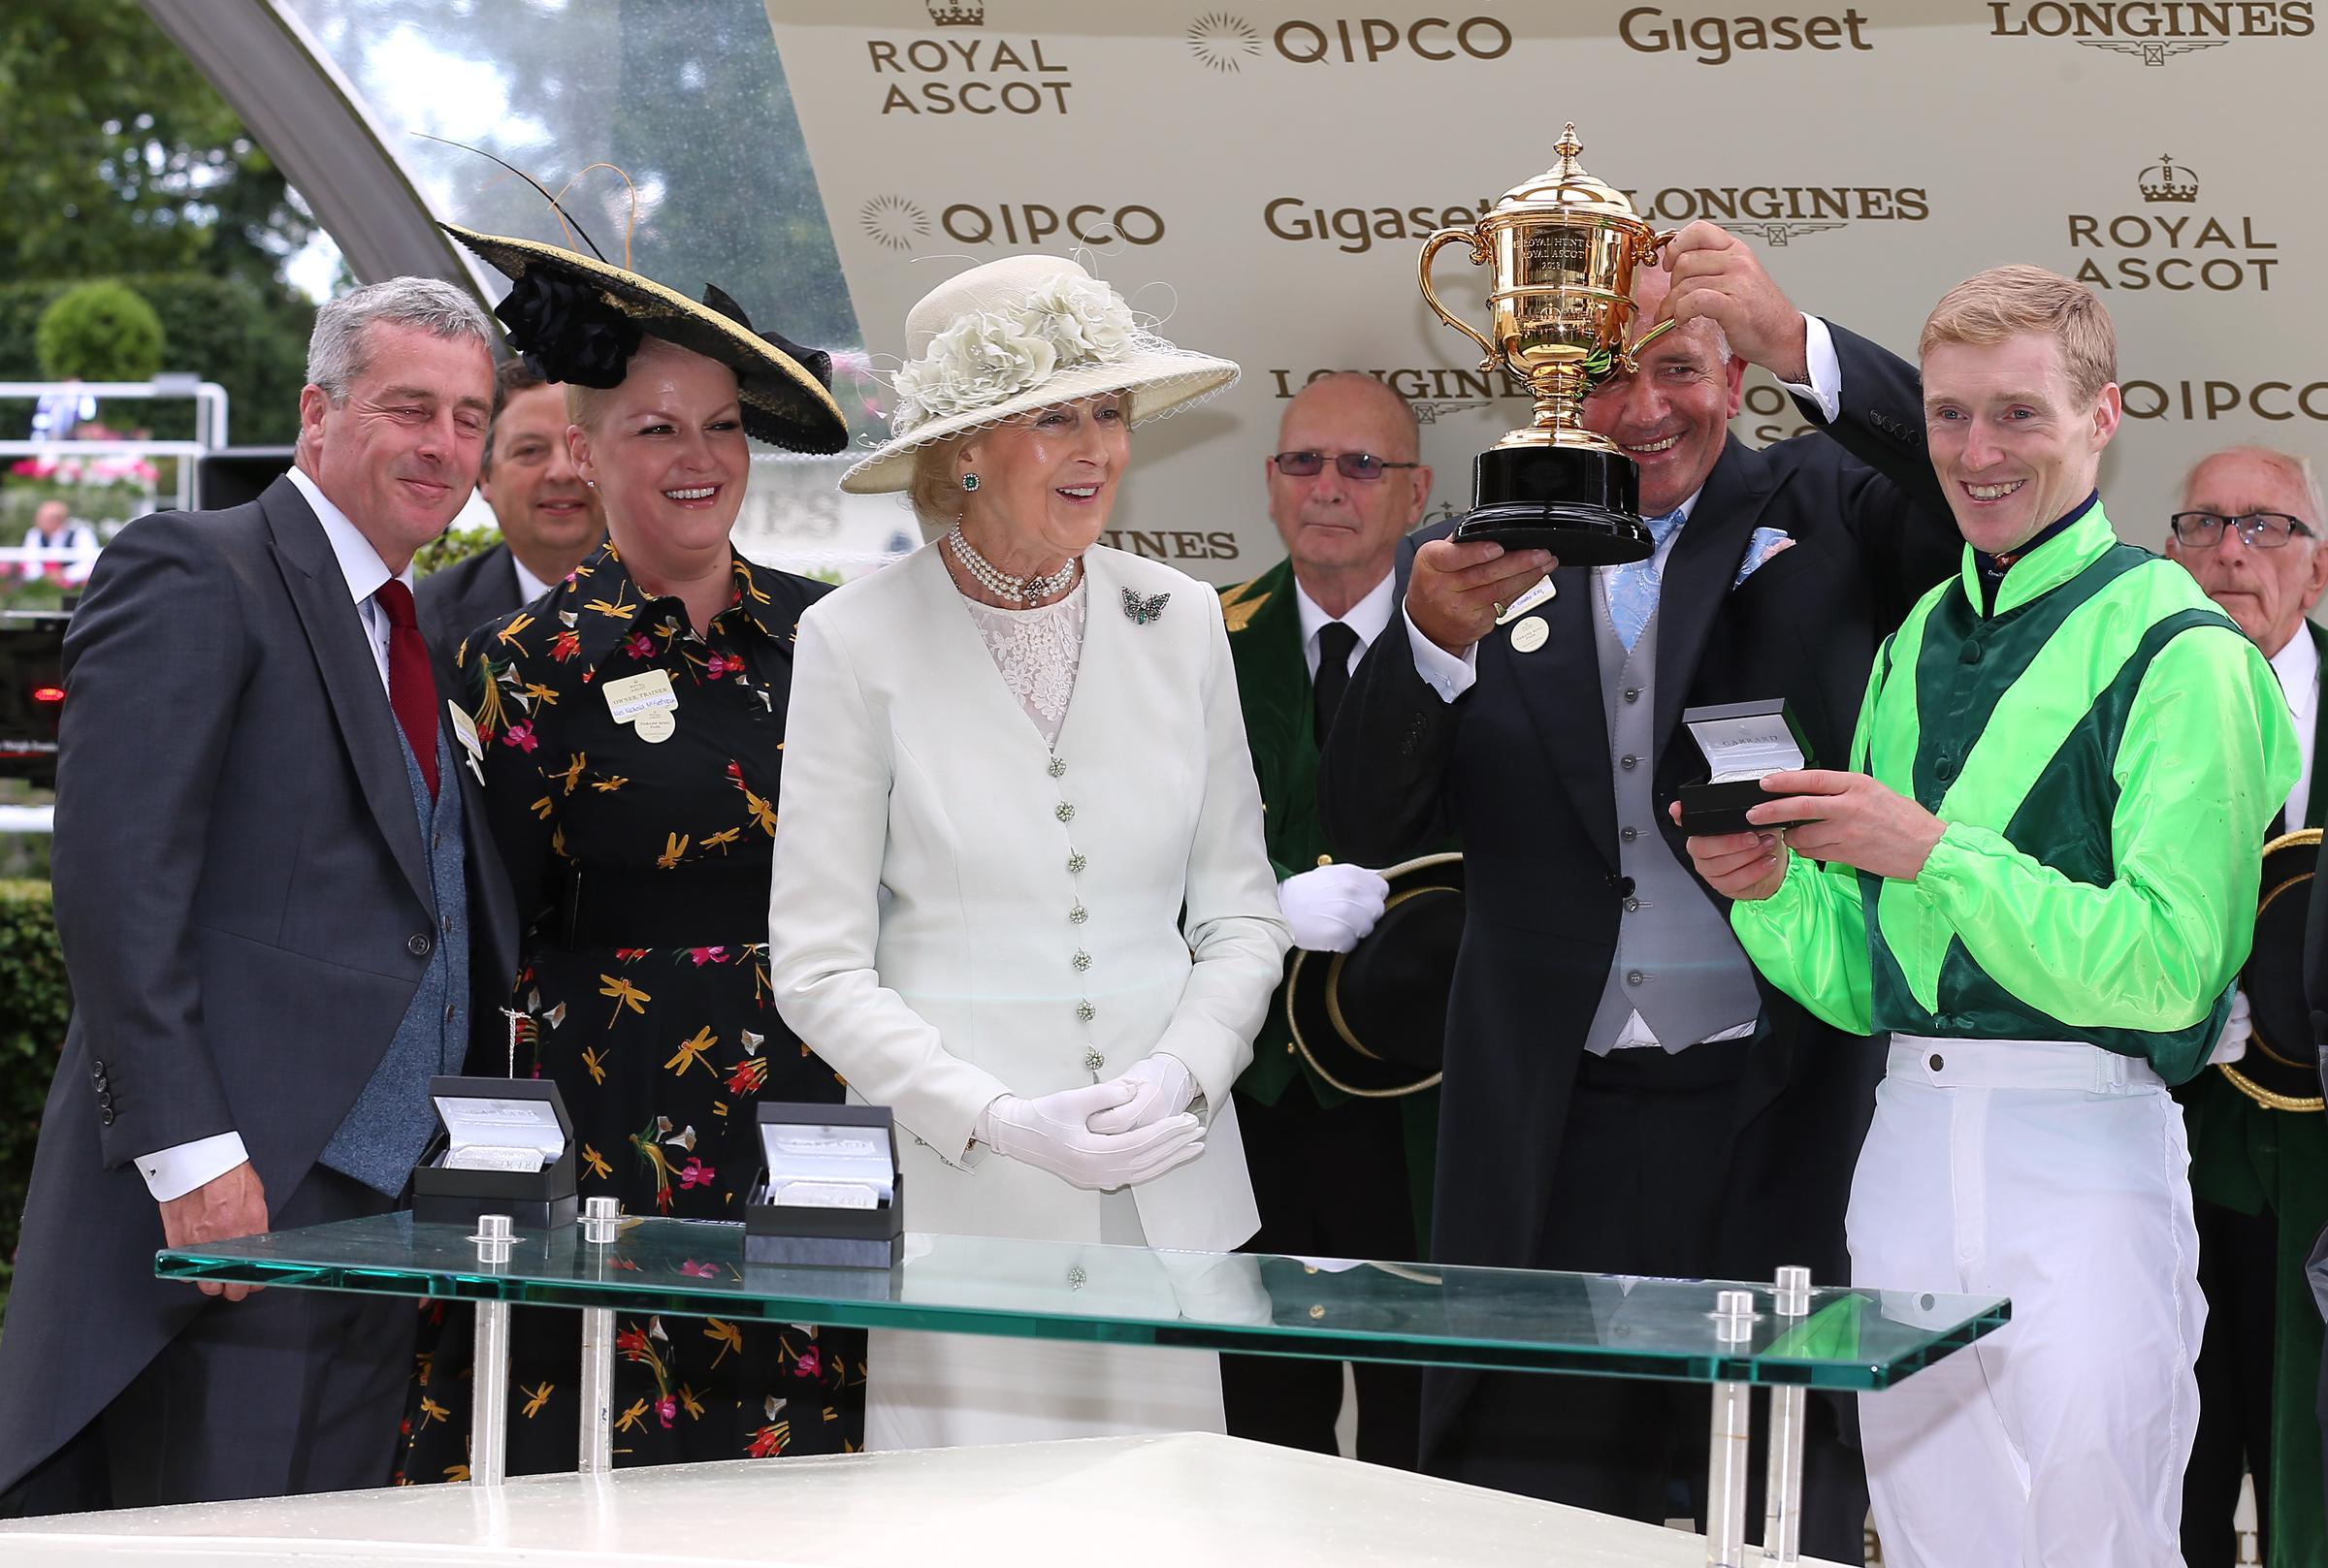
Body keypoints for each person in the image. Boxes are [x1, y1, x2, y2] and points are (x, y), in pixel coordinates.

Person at [1315, 223, 1960, 1551]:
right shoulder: (1468, 557)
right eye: (1610, 375)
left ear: (1733, 381)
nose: (1646, 408)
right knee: (1533, 1507)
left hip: (1776, 1101)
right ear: (1553, 386)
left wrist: (1803, 342)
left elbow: (1972, 482)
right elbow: (1366, 811)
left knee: (1778, 1486)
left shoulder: (1830, 508)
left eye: (1682, 368)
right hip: (1547, 1120)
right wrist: (1430, 642)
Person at [1684, 264, 2295, 1568]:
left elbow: (2173, 972)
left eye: (2018, 415)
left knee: (2098, 1537)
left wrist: (1937, 854)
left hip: (2087, 1146)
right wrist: (1774, 895)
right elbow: (1867, 982)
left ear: (2103, 417)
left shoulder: (2187, 650)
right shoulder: (1915, 634)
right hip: (1903, 1136)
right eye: (1953, 415)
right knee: (1929, 1538)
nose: (1977, 451)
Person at [0, 278, 519, 1515]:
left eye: (467, 417)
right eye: (409, 408)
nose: (443, 445)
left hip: (386, 1208)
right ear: (316, 416)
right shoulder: (195, 567)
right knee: (208, 1531)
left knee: (321, 1532)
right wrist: (191, 1156)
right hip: (237, 1200)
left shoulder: (412, 630)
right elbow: (119, 888)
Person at [766, 253, 1290, 1449]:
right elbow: (820, 968)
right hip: (968, 1214)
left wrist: (1184, 1072)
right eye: (1056, 416)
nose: (1098, 446)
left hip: (1171, 1203)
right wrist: (999, 1117)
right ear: (963, 449)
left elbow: (1242, 917)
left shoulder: (1185, 619)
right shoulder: (853, 641)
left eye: (1109, 412)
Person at [394, 222, 866, 1480]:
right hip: (614, 1117)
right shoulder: (523, 667)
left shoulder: (841, 641)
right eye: (658, 428)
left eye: (720, 425)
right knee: (605, 1470)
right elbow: (491, 942)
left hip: (817, 1114)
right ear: (590, 452)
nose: (699, 456)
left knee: (810, 1478)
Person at [1216, 371, 1432, 1467]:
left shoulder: (1485, 642)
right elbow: (1134, 852)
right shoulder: (1200, 643)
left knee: (1420, 1416)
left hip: (1417, 1102)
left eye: (1363, 465)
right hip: (1256, 1094)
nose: (1330, 489)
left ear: (1416, 492)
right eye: (1305, 462)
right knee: (1266, 1423)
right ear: (1270, 483)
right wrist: (1267, 903)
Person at [2162, 445, 2328, 1568]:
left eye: (2267, 528)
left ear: (2318, 571)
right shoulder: (2115, 708)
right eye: (2204, 526)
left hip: (2318, 1172)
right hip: (2149, 1144)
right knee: (2160, 1464)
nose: (2232, 551)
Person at [415, 358, 606, 661]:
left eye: (579, 448)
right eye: (530, 450)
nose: (563, 471)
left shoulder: (684, 591)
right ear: (485, 476)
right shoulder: (424, 620)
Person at [17, 498, 99, 586]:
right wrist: (45, 575)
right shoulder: (34, 534)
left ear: (59, 520)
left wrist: (65, 574)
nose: (38, 521)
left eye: (44, 518)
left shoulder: (81, 533)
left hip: (75, 586)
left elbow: (89, 562)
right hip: (42, 584)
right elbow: (29, 560)